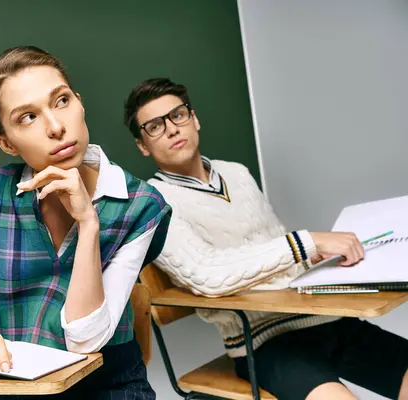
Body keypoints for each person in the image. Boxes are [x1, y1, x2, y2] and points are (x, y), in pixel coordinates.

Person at [0, 46, 171, 400]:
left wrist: (88, 223)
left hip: (110, 389)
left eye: (61, 101)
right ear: (6, 143)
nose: (56, 127)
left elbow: (85, 339)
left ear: (80, 103)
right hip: (17, 392)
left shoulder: (140, 205)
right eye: (27, 117)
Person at [123, 77, 408, 400]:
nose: (172, 129)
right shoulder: (155, 201)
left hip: (324, 319)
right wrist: (304, 244)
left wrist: (309, 257)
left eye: (177, 115)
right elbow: (206, 275)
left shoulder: (236, 173)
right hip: (263, 341)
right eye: (154, 127)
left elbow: (278, 246)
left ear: (194, 119)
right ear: (143, 146)